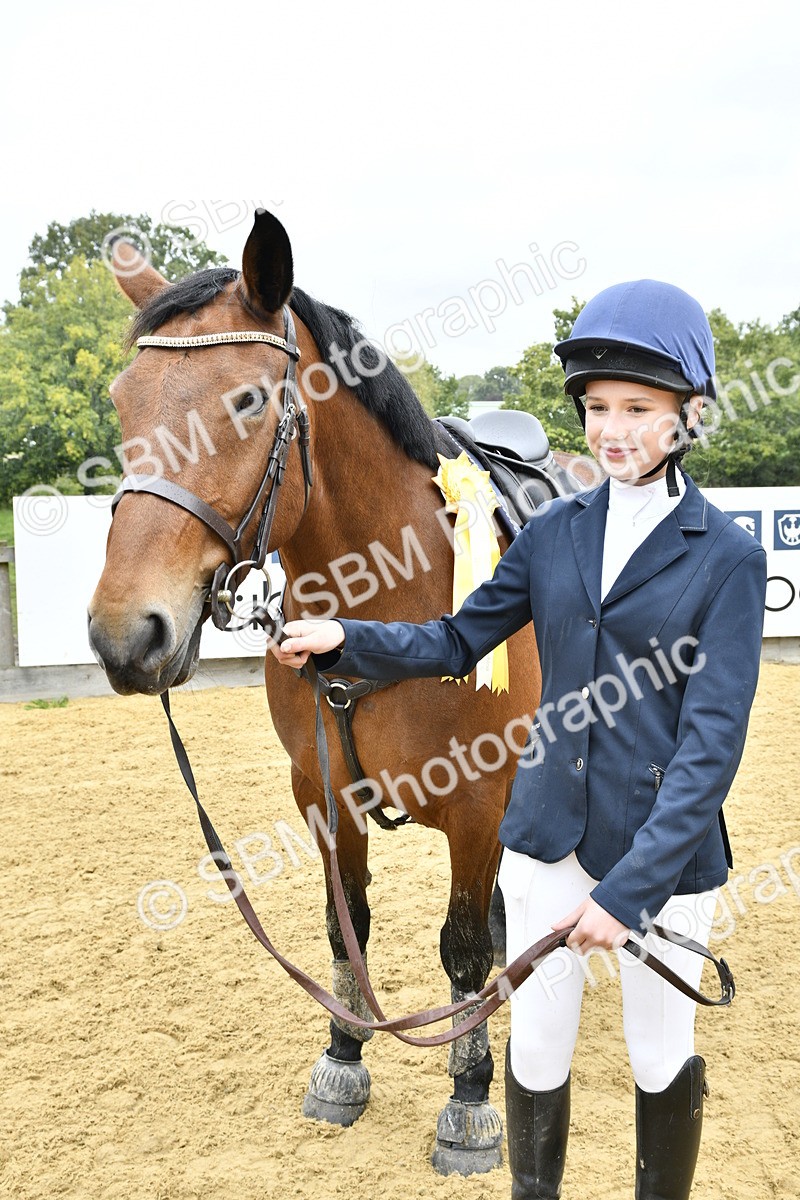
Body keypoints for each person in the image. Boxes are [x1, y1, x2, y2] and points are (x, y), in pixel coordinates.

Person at [270, 280, 767, 1199]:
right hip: (542, 844)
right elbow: (459, 639)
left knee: (659, 1057)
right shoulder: (552, 531)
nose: (612, 429)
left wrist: (629, 892)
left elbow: (710, 751)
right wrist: (347, 637)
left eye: (638, 409)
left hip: (663, 862)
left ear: (690, 413)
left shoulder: (729, 558)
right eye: (599, 408)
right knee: (535, 1053)